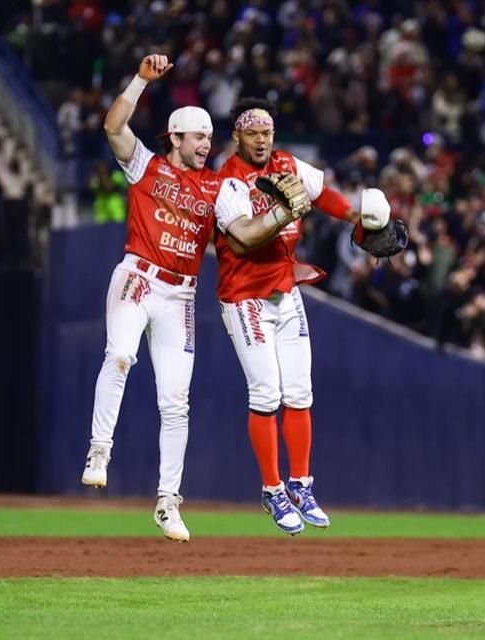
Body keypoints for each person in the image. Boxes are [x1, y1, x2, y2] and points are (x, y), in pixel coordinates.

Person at [81, 57, 305, 543]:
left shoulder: (217, 186)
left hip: (180, 294)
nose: (206, 145)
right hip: (138, 278)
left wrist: (283, 212)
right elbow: (113, 125)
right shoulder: (147, 166)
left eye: (208, 137)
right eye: (197, 137)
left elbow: (245, 233)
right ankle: (100, 450)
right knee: (120, 355)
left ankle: (168, 502)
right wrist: (140, 78)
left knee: (177, 402)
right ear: (175, 138)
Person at [213, 97, 391, 534]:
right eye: (253, 133)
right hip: (245, 296)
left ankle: (301, 484)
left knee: (299, 392)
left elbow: (322, 192)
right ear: (237, 135)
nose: (261, 140)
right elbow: (243, 242)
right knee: (266, 394)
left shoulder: (288, 163)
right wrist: (284, 210)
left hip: (285, 290)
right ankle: (272, 489)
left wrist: (361, 221)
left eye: (267, 133)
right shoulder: (228, 182)